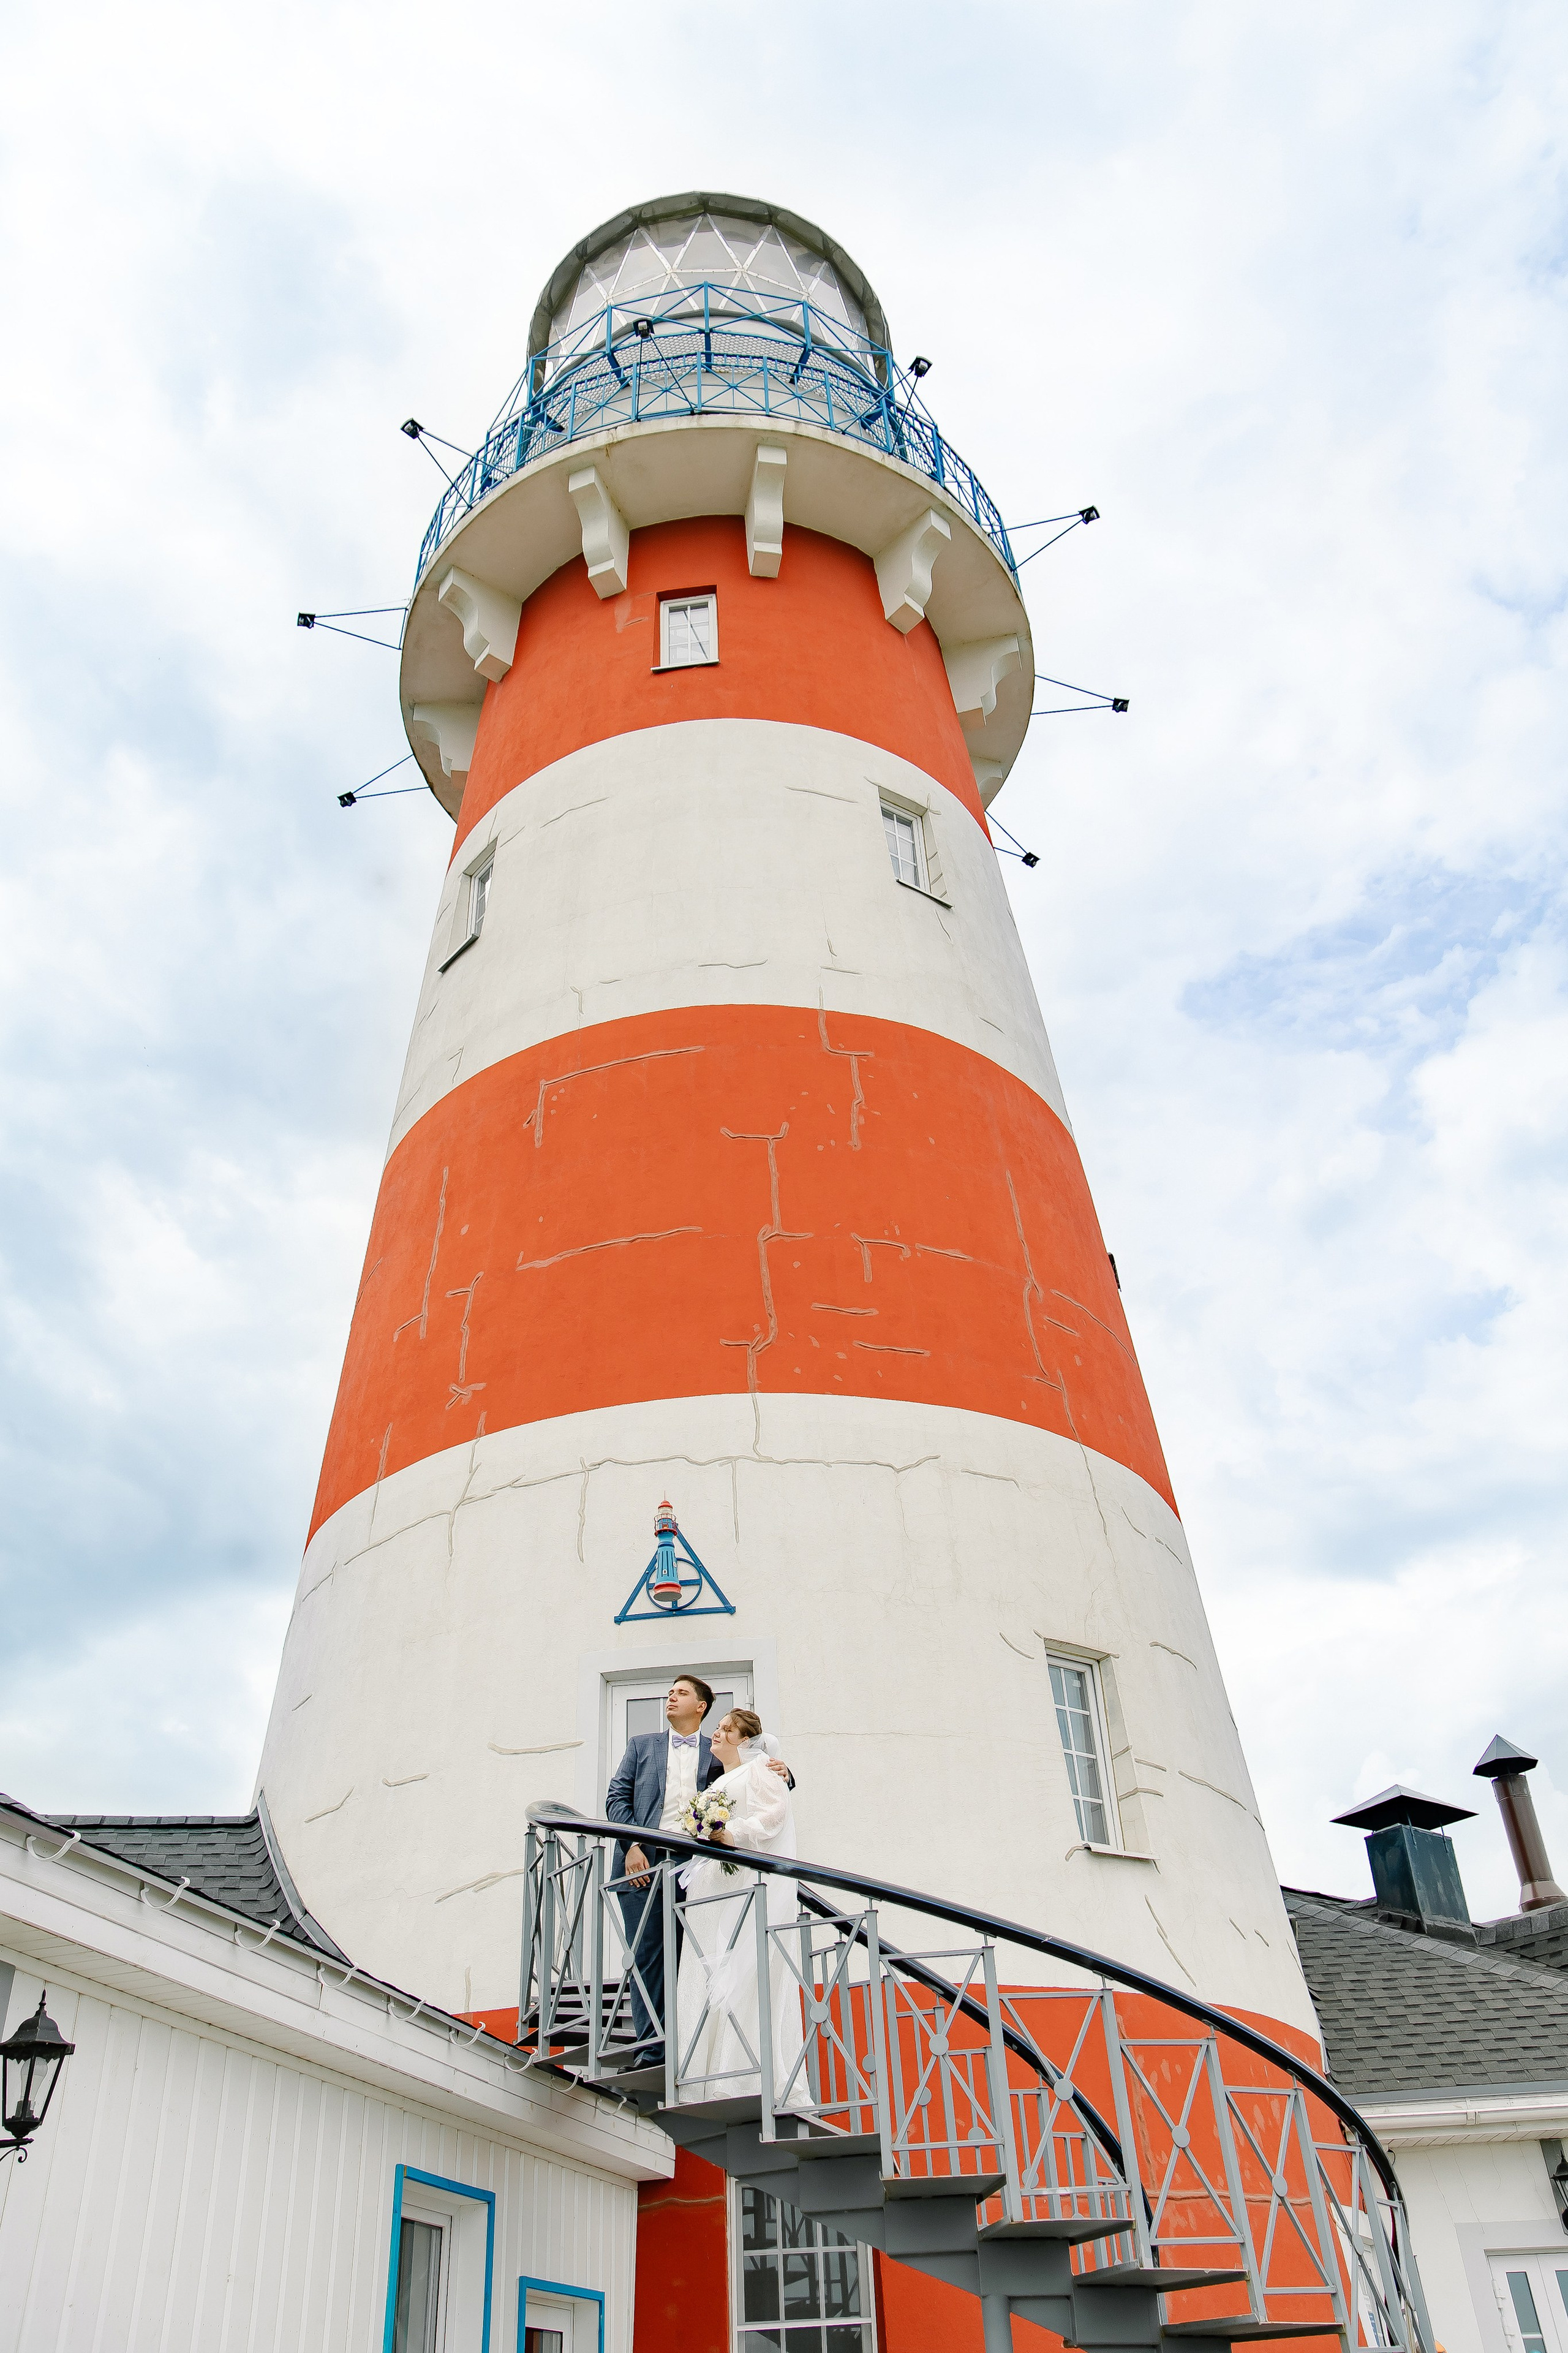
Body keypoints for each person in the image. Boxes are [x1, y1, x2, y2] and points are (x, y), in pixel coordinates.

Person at [603, 1675, 791, 2065]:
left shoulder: (722, 1749)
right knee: (648, 1955)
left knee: (699, 1953)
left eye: (681, 1693)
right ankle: (653, 2050)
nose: (671, 1697)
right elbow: (617, 1798)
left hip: (700, 1865)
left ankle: (698, 2051)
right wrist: (633, 1845)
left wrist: (784, 1772)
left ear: (702, 1706)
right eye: (669, 1693)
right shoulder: (641, 1747)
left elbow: (760, 1788)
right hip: (645, 1861)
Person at [673, 1707, 807, 2109]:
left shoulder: (762, 1769)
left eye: (726, 1729)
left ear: (744, 1740)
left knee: (732, 1966)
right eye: (716, 1728)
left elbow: (775, 1814)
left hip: (735, 1887)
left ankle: (737, 2074)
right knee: (705, 1967)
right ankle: (702, 2067)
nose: (716, 1733)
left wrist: (733, 1832)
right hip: (709, 1889)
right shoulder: (722, 1779)